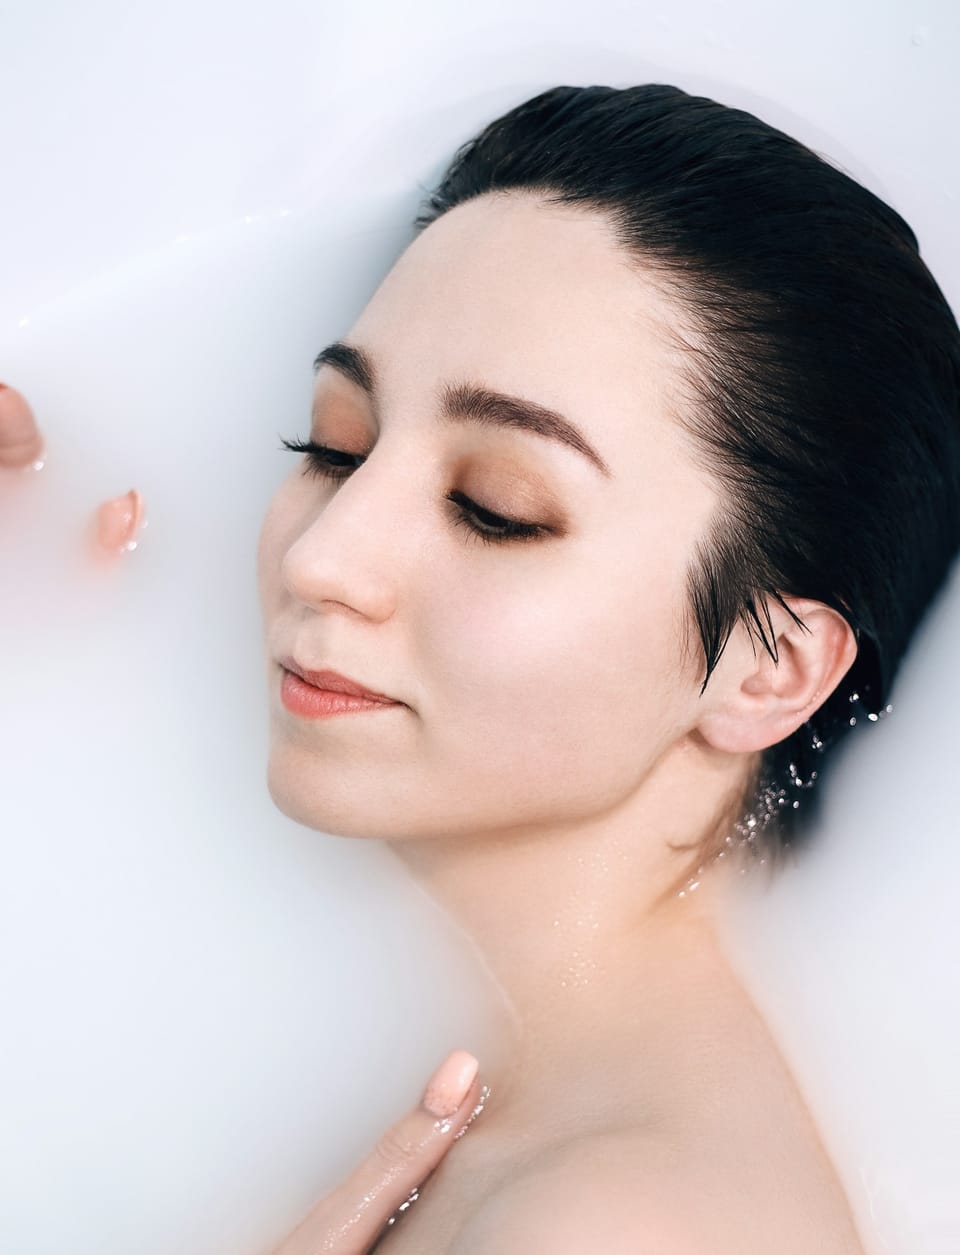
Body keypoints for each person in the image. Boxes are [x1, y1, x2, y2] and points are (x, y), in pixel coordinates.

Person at [257, 82, 960, 1253]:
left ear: (769, 668)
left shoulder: (616, 1222)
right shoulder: (480, 1065)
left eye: (495, 510)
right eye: (334, 446)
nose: (323, 556)